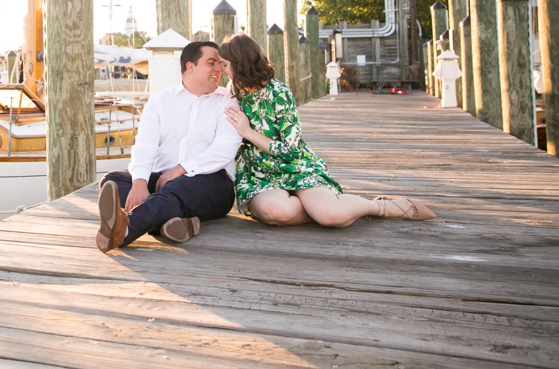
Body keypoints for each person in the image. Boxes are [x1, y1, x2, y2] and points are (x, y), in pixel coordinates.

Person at [218, 33, 435, 227]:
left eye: (225, 64)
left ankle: (378, 207)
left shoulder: (279, 93)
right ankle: (330, 206)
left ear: (241, 63)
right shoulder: (234, 91)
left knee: (332, 217)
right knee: (278, 212)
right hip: (259, 174)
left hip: (295, 167)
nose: (222, 70)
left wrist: (248, 132)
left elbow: (292, 151)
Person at [96, 41, 242, 253]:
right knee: (112, 182)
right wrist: (139, 182)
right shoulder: (159, 101)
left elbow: (224, 149)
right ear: (190, 67)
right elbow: (145, 145)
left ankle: (125, 230)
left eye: (220, 64)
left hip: (215, 184)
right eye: (212, 63)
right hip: (165, 180)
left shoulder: (227, 102)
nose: (219, 69)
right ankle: (178, 222)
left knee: (176, 189)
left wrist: (180, 169)